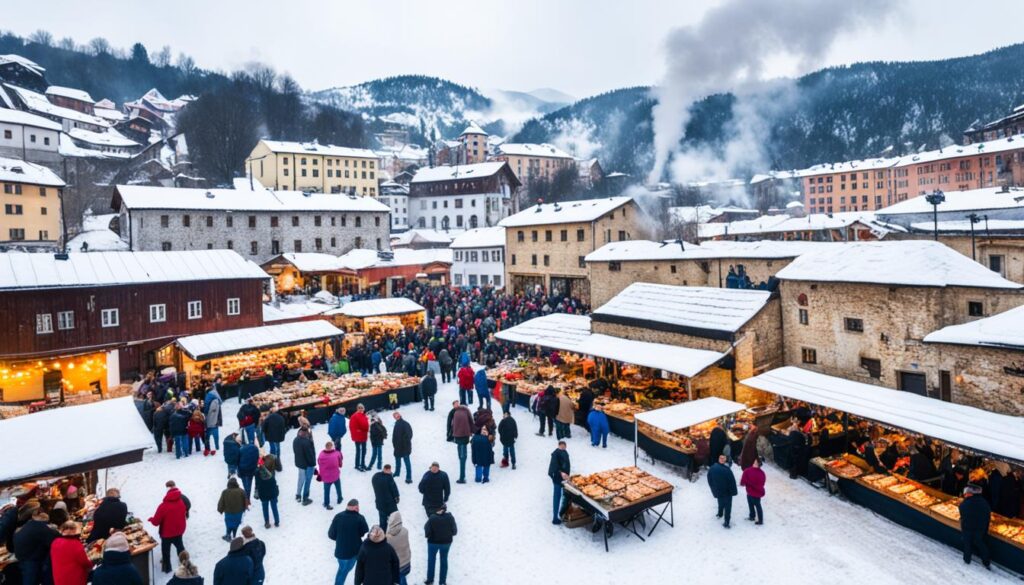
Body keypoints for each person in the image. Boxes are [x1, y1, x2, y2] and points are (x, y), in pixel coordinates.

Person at [149, 481, 188, 573]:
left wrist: (151, 519)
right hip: (179, 530)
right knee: (180, 547)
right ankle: (185, 563)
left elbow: (156, 522)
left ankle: (167, 568)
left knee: (166, 552)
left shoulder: (163, 506)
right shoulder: (181, 502)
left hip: (167, 533)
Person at [328, 499, 369, 585]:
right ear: (356, 508)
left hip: (340, 552)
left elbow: (331, 535)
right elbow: (365, 533)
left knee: (342, 569)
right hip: (354, 552)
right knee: (344, 571)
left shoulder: (338, 516)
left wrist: (341, 538)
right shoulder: (360, 518)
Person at [14, 507, 56, 585]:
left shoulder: (28, 525)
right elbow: (55, 541)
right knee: (31, 581)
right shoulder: (41, 527)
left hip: (21, 557)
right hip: (31, 560)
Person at [959, 484, 992, 569]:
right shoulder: (984, 502)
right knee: (980, 543)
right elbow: (988, 514)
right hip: (980, 528)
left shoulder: (965, 503)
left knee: (967, 543)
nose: (965, 495)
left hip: (968, 527)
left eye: (966, 494)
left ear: (970, 494)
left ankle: (967, 560)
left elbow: (962, 512)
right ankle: (986, 562)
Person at [424, 505, 457, 585]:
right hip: (446, 543)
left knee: (431, 560)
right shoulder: (450, 517)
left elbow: (426, 530)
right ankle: (442, 582)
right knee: (444, 560)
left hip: (433, 543)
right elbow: (455, 532)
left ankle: (430, 580)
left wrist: (429, 536)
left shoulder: (432, 518)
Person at [50, 520, 92, 585]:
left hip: (58, 575)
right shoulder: (76, 544)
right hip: (74, 577)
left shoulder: (55, 542)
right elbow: (84, 561)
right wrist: (91, 565)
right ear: (74, 530)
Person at [707, 454, 738, 528]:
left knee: (720, 502)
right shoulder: (727, 470)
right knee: (728, 507)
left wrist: (713, 488)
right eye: (721, 458)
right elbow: (732, 482)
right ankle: (726, 522)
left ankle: (720, 514)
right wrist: (733, 492)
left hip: (718, 491)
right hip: (727, 492)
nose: (722, 459)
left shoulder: (712, 468)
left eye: (723, 458)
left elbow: (709, 479)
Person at [254, 453, 282, 529]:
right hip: (273, 492)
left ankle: (267, 522)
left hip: (263, 493)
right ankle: (277, 521)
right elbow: (274, 484)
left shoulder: (257, 473)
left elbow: (256, 484)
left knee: (265, 508)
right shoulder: (271, 475)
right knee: (274, 507)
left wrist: (256, 492)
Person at [449, 401, 473, 484]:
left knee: (460, 455)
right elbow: (471, 421)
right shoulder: (466, 411)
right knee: (463, 457)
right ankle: (462, 477)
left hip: (458, 437)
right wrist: (472, 432)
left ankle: (462, 476)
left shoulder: (455, 412)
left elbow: (452, 424)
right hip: (465, 436)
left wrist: (452, 434)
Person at [217, 477, 248, 541]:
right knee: (236, 523)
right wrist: (245, 508)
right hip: (239, 512)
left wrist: (220, 509)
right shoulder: (241, 491)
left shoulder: (225, 492)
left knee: (229, 523)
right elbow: (245, 501)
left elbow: (221, 502)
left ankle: (228, 535)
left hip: (228, 512)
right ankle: (235, 535)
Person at [548, 441, 571, 525]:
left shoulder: (565, 452)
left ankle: (562, 513)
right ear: (559, 446)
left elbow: (567, 464)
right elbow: (554, 466)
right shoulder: (555, 454)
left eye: (564, 446)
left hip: (564, 479)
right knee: (557, 497)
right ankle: (555, 518)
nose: (563, 448)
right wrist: (561, 473)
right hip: (557, 478)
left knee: (565, 496)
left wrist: (567, 475)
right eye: (562, 446)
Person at [386, 511, 412, 585]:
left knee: (399, 580)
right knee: (402, 578)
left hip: (397, 566)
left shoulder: (388, 538)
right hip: (406, 561)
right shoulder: (405, 531)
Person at [293, 426, 317, 506]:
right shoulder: (307, 442)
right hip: (307, 465)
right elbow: (310, 455)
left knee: (300, 480)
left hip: (299, 463)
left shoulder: (295, 439)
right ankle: (305, 498)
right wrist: (313, 464)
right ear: (306, 433)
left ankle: (298, 495)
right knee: (307, 481)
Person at [319, 441, 344, 510]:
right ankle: (340, 498)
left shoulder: (321, 454)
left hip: (326, 477)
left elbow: (318, 462)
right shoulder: (337, 454)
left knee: (326, 491)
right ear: (332, 447)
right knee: (338, 488)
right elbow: (340, 463)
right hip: (335, 475)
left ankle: (326, 503)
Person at [740, 457, 766, 525]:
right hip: (752, 492)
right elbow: (743, 481)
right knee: (751, 505)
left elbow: (743, 481)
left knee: (757, 506)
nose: (754, 464)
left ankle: (760, 520)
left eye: (756, 463)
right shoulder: (761, 473)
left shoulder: (749, 471)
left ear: (759, 465)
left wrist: (746, 483)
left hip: (755, 493)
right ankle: (752, 516)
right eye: (754, 462)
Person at [392, 411, 414, 484]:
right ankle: (397, 472)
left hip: (405, 447)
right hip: (397, 447)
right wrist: (394, 444)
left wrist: (404, 443)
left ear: (400, 415)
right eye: (395, 416)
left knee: (407, 462)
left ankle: (409, 477)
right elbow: (394, 436)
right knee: (397, 461)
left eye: (397, 415)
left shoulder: (405, 423)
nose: (396, 416)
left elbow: (409, 435)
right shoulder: (396, 424)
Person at [204, 383, 223, 455]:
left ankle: (210, 448)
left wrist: (205, 414)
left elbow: (207, 409)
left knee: (208, 434)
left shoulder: (209, 396)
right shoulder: (216, 395)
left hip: (211, 419)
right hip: (216, 419)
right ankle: (216, 447)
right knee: (215, 434)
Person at [350, 404, 370, 472]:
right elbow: (353, 427)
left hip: (363, 435)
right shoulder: (355, 416)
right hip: (358, 436)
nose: (361, 409)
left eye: (362, 408)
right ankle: (358, 465)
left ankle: (362, 464)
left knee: (363, 450)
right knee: (359, 451)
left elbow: (365, 424)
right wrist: (364, 429)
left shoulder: (363, 415)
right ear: (357, 409)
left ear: (364, 408)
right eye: (359, 408)